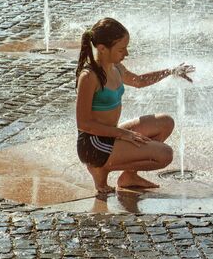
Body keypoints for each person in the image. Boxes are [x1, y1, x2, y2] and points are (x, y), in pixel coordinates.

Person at [75, 17, 195, 193]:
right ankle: (100, 168)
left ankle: (129, 176)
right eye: (121, 49)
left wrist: (170, 72)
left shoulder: (116, 67)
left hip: (111, 136)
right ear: (102, 48)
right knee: (164, 155)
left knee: (165, 122)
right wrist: (124, 134)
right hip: (93, 144)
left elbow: (138, 81)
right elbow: (84, 124)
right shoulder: (89, 77)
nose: (126, 54)